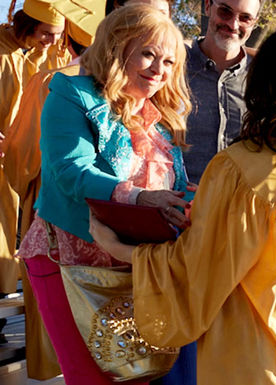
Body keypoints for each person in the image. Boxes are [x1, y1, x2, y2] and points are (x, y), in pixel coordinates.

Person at [91, 25, 276, 385]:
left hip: (246, 358)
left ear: (265, 84)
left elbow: (197, 269)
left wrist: (120, 249)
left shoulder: (237, 169)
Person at [15, 5, 193, 384]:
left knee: (140, 376)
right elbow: (70, 171)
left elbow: (171, 185)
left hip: (134, 266)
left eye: (168, 61)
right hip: (67, 259)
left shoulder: (161, 115)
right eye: (147, 53)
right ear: (117, 46)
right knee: (92, 378)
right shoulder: (71, 93)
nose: (159, 69)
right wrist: (140, 197)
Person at [0, 0, 69, 303]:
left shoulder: (55, 56)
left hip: (35, 162)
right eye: (46, 33)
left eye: (57, 33)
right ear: (27, 24)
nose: (52, 40)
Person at [183, 0, 261, 184]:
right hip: (178, 205)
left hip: (238, 206)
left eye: (245, 18)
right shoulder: (172, 64)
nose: (233, 24)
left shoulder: (263, 77)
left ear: (254, 23)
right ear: (208, 6)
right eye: (225, 11)